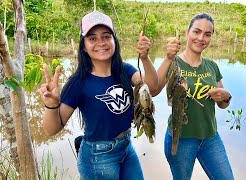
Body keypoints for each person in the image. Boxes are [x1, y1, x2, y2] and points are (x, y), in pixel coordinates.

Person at [38, 11, 158, 180]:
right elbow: (52, 129)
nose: (101, 43)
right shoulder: (78, 82)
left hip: (126, 146)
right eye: (92, 38)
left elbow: (151, 88)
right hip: (98, 156)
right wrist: (51, 104)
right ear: (84, 46)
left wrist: (145, 58)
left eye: (106, 36)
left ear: (114, 40)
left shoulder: (124, 69)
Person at [155, 13, 234, 180]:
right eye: (196, 32)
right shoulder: (173, 63)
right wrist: (168, 57)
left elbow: (222, 104)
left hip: (210, 138)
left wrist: (226, 96)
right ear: (187, 33)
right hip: (181, 138)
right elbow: (154, 88)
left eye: (207, 34)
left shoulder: (212, 65)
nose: (201, 38)